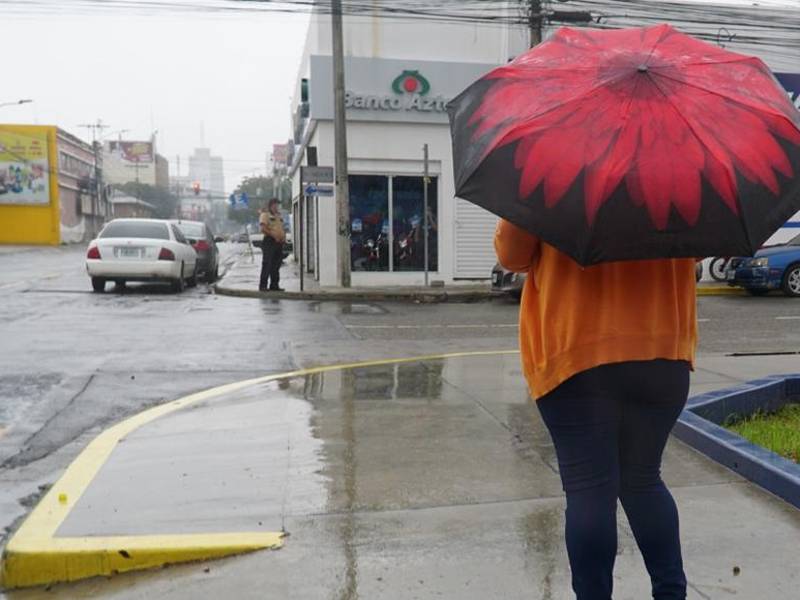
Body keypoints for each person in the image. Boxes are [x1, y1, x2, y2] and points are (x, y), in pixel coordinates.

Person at [495, 219, 697, 600]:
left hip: (579, 352)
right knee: (643, 480)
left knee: (590, 490)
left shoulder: (549, 166)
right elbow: (696, 245)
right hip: (661, 348)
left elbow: (513, 254)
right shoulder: (677, 165)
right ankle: (671, 593)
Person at [259, 198, 285, 291]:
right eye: (275, 205)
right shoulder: (265, 215)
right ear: (271, 205)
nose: (276, 207)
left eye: (277, 205)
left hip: (279, 242)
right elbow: (263, 229)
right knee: (267, 264)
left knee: (276, 265)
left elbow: (281, 228)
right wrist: (274, 235)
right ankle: (263, 286)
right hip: (269, 241)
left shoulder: (278, 216)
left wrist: (283, 237)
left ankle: (274, 285)